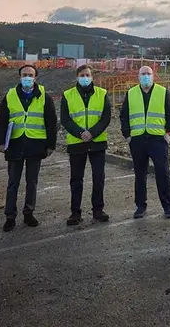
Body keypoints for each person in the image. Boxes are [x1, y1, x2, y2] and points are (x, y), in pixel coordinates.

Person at [0, 64, 57, 232]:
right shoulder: (10, 95)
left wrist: (51, 145)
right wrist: (0, 142)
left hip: (35, 145)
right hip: (14, 145)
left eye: (30, 74)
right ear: (19, 77)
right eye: (24, 74)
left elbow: (51, 122)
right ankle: (10, 216)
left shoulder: (45, 96)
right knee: (13, 183)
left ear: (35, 78)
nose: (27, 77)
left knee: (32, 182)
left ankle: (29, 213)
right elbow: (1, 120)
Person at [119, 65, 170, 219]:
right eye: (143, 74)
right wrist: (127, 135)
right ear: (138, 76)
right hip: (137, 140)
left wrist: (168, 134)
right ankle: (140, 206)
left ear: (153, 76)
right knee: (140, 174)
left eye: (148, 74)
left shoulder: (164, 92)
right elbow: (123, 116)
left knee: (162, 173)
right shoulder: (131, 93)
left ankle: (167, 206)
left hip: (158, 140)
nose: (146, 76)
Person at [60, 64, 111, 226]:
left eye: (87, 75)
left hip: (97, 143)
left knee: (98, 177)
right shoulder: (68, 95)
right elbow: (66, 119)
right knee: (76, 179)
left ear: (92, 77)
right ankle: (75, 212)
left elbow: (105, 117)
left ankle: (98, 210)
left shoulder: (102, 94)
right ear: (77, 77)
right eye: (82, 75)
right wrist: (80, 133)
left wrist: (92, 133)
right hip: (77, 143)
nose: (85, 78)